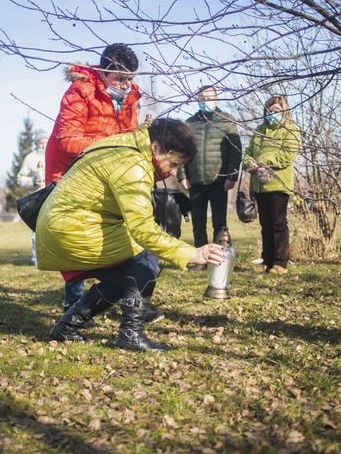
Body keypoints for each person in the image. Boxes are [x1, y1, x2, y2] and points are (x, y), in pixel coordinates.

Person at [38, 119, 225, 352]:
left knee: (121, 280)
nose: (174, 172)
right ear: (156, 147)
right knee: (146, 256)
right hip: (73, 229)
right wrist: (191, 252)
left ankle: (66, 327)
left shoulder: (127, 144)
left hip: (62, 225)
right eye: (174, 163)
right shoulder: (133, 165)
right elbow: (143, 230)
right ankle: (131, 334)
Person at [45, 43, 142, 313]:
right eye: (119, 79)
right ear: (102, 72)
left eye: (130, 79)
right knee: (77, 234)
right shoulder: (80, 90)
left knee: (115, 229)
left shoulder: (132, 96)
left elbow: (130, 135)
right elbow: (67, 140)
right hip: (69, 171)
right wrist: (114, 144)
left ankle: (129, 296)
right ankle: (73, 300)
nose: (125, 85)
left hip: (106, 170)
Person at [178, 85, 242, 271]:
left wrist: (231, 176)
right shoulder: (189, 124)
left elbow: (235, 151)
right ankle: (200, 261)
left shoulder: (227, 121)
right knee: (198, 223)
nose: (206, 101)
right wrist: (182, 175)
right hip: (195, 181)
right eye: (202, 98)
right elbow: (182, 151)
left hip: (219, 182)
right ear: (198, 100)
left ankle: (220, 260)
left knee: (220, 223)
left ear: (217, 99)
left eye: (209, 98)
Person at [244, 95, 301, 275]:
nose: (272, 113)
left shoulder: (291, 130)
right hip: (260, 185)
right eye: (269, 110)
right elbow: (248, 152)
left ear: (284, 111)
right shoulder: (259, 130)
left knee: (278, 224)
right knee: (265, 225)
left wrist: (261, 160)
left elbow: (287, 156)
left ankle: (281, 263)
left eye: (276, 110)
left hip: (278, 184)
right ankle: (267, 261)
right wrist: (248, 163)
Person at [17, 130, 49, 265]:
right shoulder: (30, 158)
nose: (43, 145)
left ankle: (52, 257)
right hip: (37, 198)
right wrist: (32, 181)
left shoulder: (53, 154)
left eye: (45, 142)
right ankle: (37, 258)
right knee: (37, 230)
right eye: (40, 142)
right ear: (36, 143)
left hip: (53, 195)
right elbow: (20, 179)